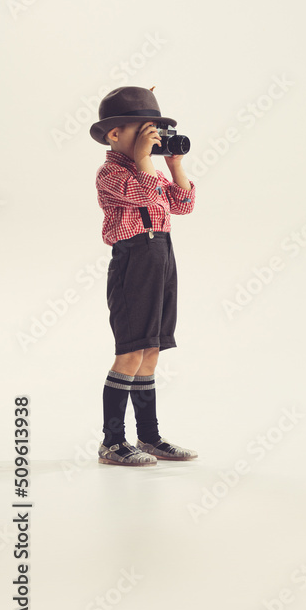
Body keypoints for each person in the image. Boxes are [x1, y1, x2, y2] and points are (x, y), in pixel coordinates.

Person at [90, 86, 199, 466]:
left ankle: (149, 436)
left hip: (162, 256)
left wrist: (174, 164)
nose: (149, 140)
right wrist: (143, 161)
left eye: (153, 132)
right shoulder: (111, 173)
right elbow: (142, 192)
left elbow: (183, 203)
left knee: (151, 350)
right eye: (142, 132)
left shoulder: (150, 169)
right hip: (133, 259)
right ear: (113, 134)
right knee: (131, 351)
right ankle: (112, 442)